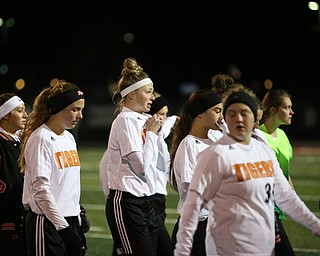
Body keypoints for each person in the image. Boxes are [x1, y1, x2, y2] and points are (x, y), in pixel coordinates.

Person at [174, 90, 320, 255]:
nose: (238, 119)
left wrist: (314, 223)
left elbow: (285, 194)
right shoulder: (214, 149)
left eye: (245, 114)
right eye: (231, 114)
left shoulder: (261, 149)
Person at [102, 57, 165, 256]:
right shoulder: (125, 121)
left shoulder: (146, 120)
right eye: (148, 92)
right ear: (130, 95)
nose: (153, 97)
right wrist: (153, 135)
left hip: (149, 201)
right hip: (128, 202)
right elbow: (141, 168)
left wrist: (159, 134)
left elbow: (162, 165)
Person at [19, 80, 87, 256]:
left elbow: (67, 184)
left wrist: (78, 214)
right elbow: (41, 190)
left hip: (69, 221)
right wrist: (63, 228)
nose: (80, 116)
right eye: (75, 109)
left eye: (81, 110)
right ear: (58, 109)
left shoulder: (69, 138)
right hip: (48, 223)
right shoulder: (41, 138)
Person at [169, 88, 223, 255]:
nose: (221, 117)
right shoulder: (189, 145)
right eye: (217, 111)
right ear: (200, 114)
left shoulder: (216, 138)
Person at [259, 88, 296, 256]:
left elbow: (283, 171)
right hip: (264, 207)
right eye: (287, 107)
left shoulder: (281, 135)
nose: (291, 112)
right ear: (273, 109)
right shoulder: (257, 137)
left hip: (278, 207)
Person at [0, 93, 28, 256]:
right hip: (7, 222)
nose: (25, 115)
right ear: (5, 116)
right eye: (19, 111)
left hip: (23, 220)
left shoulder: (21, 141)